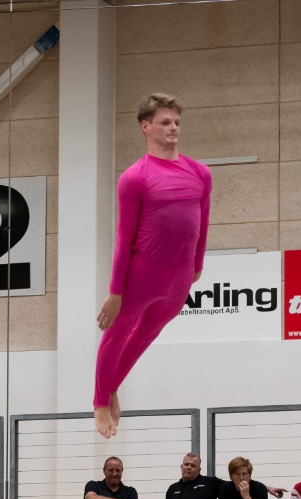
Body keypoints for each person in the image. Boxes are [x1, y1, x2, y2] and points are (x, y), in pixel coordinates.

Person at [93, 93, 211, 438]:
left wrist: (197, 264)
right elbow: (123, 236)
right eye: (165, 122)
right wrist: (115, 292)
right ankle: (100, 402)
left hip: (180, 275)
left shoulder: (200, 173)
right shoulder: (134, 177)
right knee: (116, 334)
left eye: (177, 122)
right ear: (146, 127)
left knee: (147, 334)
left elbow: (203, 222)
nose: (174, 127)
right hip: (143, 272)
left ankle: (112, 385)